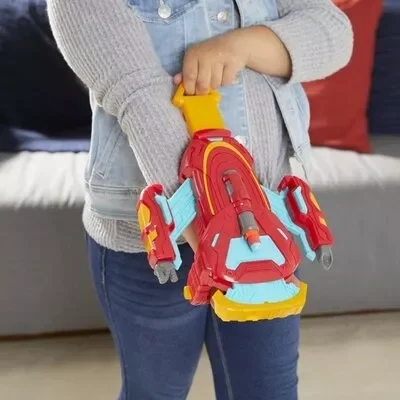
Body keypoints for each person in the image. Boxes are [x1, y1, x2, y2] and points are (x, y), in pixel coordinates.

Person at [47, 1, 353, 399]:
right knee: (155, 393)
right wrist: (217, 233)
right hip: (150, 242)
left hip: (263, 230)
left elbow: (333, 32)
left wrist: (242, 46)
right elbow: (137, 93)